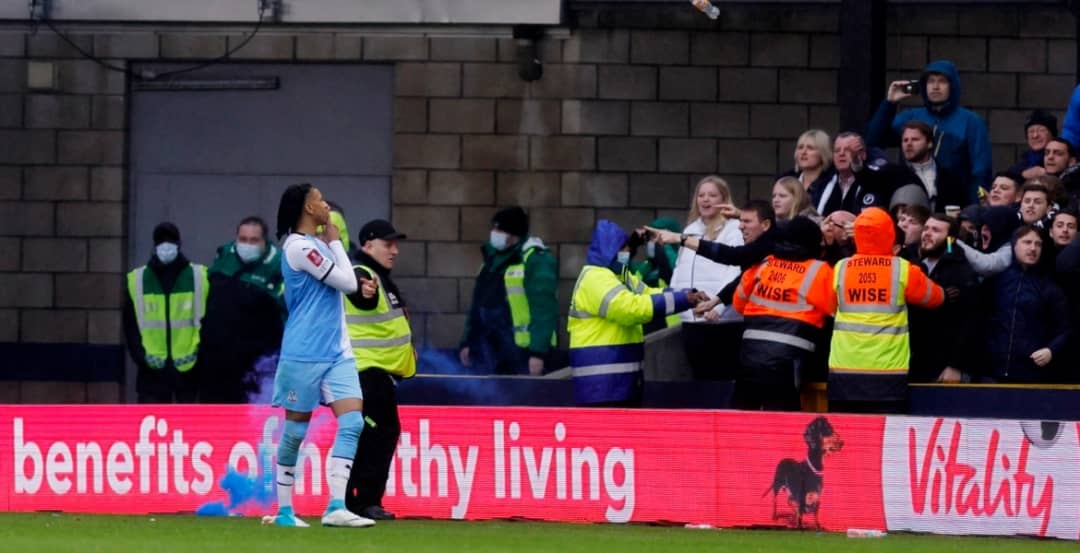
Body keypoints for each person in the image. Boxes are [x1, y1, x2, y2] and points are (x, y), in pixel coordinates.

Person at [264, 183, 374, 528]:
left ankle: (336, 506)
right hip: (305, 352)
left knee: (353, 422)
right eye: (320, 200)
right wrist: (338, 242)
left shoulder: (316, 246)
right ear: (308, 209)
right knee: (296, 432)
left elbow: (347, 280)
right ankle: (284, 512)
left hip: (337, 351)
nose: (325, 204)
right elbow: (346, 282)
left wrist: (336, 249)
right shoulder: (297, 248)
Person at [567, 220, 704, 406]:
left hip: (616, 381)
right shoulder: (595, 278)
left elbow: (648, 293)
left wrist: (687, 295)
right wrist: (683, 300)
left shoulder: (619, 276)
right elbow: (630, 309)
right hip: (601, 385)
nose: (626, 253)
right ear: (610, 251)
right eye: (622, 248)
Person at [828, 207, 945, 414]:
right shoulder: (902, 269)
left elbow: (828, 306)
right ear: (890, 234)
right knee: (883, 440)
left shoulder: (841, 268)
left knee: (846, 439)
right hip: (887, 373)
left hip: (843, 371)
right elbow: (935, 298)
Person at [344, 220, 415, 522]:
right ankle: (364, 501)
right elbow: (360, 293)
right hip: (367, 371)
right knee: (377, 435)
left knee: (372, 435)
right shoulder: (363, 272)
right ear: (368, 245)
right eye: (388, 244)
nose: (395, 250)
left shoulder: (378, 275)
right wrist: (365, 292)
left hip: (373, 373)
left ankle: (353, 500)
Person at [728, 217, 836, 411]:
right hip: (787, 364)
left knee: (740, 423)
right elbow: (834, 310)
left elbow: (738, 303)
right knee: (781, 427)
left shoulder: (764, 264)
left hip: (748, 358)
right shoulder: (819, 271)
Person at [867, 60, 992, 203]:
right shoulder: (911, 116)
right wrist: (889, 103)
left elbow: (981, 171)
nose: (935, 87)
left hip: (954, 202)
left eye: (942, 81)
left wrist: (973, 211)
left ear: (953, 86)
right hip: (910, 198)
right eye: (930, 81)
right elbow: (874, 140)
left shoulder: (971, 121)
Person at [459, 206, 559, 376]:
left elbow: (544, 311)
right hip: (489, 351)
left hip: (522, 353)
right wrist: (468, 342)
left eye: (499, 229)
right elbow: (476, 307)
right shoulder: (491, 261)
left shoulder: (535, 259)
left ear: (513, 234)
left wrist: (537, 353)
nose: (494, 233)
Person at [196, 216, 285, 404]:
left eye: (254, 240)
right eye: (243, 239)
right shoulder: (222, 262)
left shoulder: (278, 267)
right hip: (217, 364)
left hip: (257, 367)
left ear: (264, 241)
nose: (247, 245)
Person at [123, 222, 208, 404]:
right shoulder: (137, 280)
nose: (166, 246)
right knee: (152, 428)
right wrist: (142, 358)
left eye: (170, 240)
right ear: (154, 246)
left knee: (190, 428)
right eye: (161, 241)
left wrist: (199, 355)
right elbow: (130, 328)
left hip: (189, 372)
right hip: (151, 374)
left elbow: (208, 322)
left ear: (179, 244)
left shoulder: (198, 277)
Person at [668, 177, 744, 379]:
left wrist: (717, 306)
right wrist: (676, 299)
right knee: (700, 380)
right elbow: (679, 268)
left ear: (724, 199)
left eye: (712, 195)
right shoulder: (689, 230)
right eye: (701, 195)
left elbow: (735, 269)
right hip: (692, 320)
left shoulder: (734, 228)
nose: (705, 200)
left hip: (723, 322)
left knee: (722, 380)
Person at [980, 226, 1071, 383]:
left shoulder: (1049, 286)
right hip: (991, 371)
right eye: (1027, 242)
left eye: (1038, 244)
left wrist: (1051, 350)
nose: (1033, 248)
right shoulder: (996, 280)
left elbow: (1065, 328)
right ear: (1014, 245)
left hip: (1031, 374)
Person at [901, 214, 979, 383]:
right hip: (910, 360)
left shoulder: (961, 272)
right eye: (927, 228)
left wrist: (956, 365)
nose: (927, 233)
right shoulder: (909, 262)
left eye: (936, 230)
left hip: (942, 365)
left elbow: (969, 322)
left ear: (950, 239)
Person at [899, 120, 966, 211]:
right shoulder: (894, 176)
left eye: (915, 139)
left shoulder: (951, 178)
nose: (908, 144)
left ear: (929, 144)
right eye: (905, 140)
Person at [955, 205, 1022, 278]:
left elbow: (987, 265)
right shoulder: (981, 244)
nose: (984, 229)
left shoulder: (1012, 248)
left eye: (990, 225)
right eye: (984, 224)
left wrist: (954, 241)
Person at [783, 129, 836, 209]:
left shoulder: (834, 183)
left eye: (810, 148)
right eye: (800, 147)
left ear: (823, 153)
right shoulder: (786, 182)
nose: (803, 152)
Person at [1010, 109, 1058, 179]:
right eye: (1031, 131)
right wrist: (1022, 175)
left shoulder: (1061, 160)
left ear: (1052, 134)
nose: (1035, 135)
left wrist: (1047, 176)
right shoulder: (1022, 163)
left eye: (1041, 130)